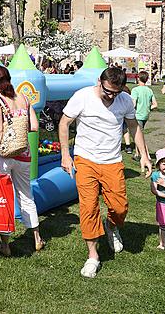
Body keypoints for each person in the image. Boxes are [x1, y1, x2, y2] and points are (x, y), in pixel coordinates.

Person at [59, 67, 152, 279]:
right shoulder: (82, 96)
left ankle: (110, 227)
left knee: (120, 207)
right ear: (99, 82)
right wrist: (65, 154)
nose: (111, 96)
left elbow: (133, 127)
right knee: (89, 207)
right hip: (86, 160)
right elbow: (64, 123)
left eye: (115, 92)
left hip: (112, 161)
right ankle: (93, 256)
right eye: (107, 91)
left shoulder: (125, 100)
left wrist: (144, 155)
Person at [0, 65, 44, 256]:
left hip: (4, 155)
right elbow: (34, 126)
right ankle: (37, 238)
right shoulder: (24, 98)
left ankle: (5, 244)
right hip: (24, 154)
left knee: (4, 197)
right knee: (26, 196)